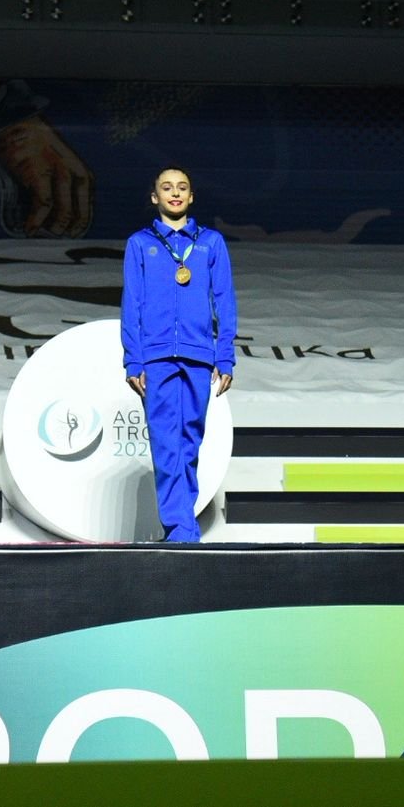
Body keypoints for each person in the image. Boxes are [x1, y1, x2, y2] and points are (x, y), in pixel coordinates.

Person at [121, 166, 237, 542]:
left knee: (189, 442)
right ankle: (180, 528)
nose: (175, 193)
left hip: (199, 354)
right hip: (155, 357)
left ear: (191, 197)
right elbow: (132, 303)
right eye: (166, 188)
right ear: (154, 197)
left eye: (182, 187)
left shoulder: (210, 243)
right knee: (165, 441)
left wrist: (225, 356)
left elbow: (225, 300)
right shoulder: (140, 243)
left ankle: (181, 524)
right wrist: (133, 358)